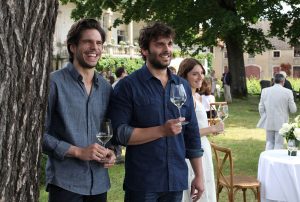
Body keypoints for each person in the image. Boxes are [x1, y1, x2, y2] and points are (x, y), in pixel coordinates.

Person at [109, 22, 204, 202]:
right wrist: (161, 130)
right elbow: (119, 133)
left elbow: (191, 132)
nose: (167, 49)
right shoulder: (128, 86)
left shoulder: (181, 85)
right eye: (159, 44)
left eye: (169, 44)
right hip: (143, 182)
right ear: (145, 50)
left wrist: (198, 175)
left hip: (176, 180)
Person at [42, 19, 116, 202]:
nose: (94, 48)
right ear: (72, 47)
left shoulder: (107, 88)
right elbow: (37, 134)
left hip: (99, 182)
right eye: (87, 42)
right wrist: (77, 151)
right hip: (65, 182)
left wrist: (113, 151)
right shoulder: (53, 83)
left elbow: (110, 132)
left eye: (98, 43)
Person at [178, 58, 224, 202]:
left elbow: (197, 126)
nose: (200, 77)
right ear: (184, 75)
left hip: (203, 147)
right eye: (195, 74)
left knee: (207, 185)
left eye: (202, 73)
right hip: (192, 150)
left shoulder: (197, 96)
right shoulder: (184, 99)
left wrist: (210, 130)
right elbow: (185, 132)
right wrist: (212, 128)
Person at [257, 73, 297, 150]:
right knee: (279, 144)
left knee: (269, 142)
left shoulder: (265, 91)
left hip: (269, 120)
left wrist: (264, 116)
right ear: (283, 81)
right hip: (282, 121)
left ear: (274, 81)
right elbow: (293, 110)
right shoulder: (288, 92)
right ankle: (275, 160)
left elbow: (261, 107)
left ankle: (268, 160)